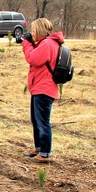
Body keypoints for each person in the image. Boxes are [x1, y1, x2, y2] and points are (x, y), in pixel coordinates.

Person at [19, 18, 65, 163]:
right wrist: (31, 43)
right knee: (36, 120)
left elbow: (33, 58)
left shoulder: (47, 44)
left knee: (43, 121)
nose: (31, 34)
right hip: (39, 87)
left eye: (33, 31)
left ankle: (45, 153)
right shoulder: (47, 43)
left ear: (39, 30)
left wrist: (26, 44)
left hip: (44, 88)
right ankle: (39, 148)